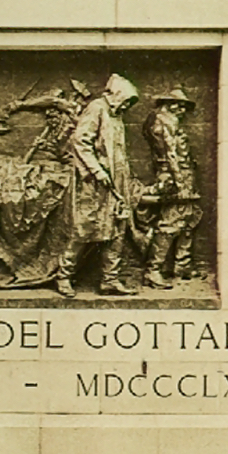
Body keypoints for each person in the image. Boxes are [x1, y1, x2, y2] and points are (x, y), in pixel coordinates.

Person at [55, 74, 139, 298]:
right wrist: (97, 170)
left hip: (117, 179)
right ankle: (63, 276)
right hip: (93, 181)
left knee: (117, 229)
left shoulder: (116, 115)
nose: (127, 105)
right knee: (84, 228)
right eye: (126, 100)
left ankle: (109, 280)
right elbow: (80, 141)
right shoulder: (97, 108)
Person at [140, 88, 203, 288]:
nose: (183, 110)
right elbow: (170, 154)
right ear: (170, 104)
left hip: (182, 174)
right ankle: (153, 270)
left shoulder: (162, 120)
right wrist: (180, 183)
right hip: (176, 176)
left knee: (189, 218)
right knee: (171, 221)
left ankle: (182, 264)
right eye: (180, 105)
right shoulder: (164, 121)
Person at [1, 78, 92, 163]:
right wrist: (46, 146)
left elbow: (53, 101)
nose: (49, 113)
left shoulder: (73, 110)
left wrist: (22, 104)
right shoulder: (61, 121)